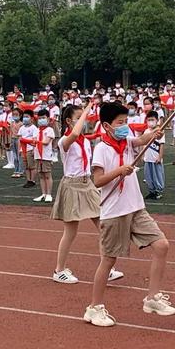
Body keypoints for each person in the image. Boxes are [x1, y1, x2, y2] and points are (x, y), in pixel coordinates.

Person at [84, 102, 175, 327]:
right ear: (106, 125)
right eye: (120, 123)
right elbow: (97, 181)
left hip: (136, 208)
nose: (124, 127)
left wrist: (153, 134)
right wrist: (118, 171)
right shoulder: (101, 149)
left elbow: (139, 141)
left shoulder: (126, 141)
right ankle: (94, 308)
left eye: (126, 122)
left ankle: (152, 298)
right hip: (114, 212)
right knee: (108, 260)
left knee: (162, 245)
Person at [51, 103, 123, 284]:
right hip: (72, 186)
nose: (83, 122)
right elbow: (74, 133)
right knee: (71, 231)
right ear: (69, 121)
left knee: (103, 225)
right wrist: (87, 109)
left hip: (87, 184)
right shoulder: (64, 141)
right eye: (78, 118)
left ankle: (108, 268)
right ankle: (59, 270)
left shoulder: (86, 140)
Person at [32, 109, 55, 203]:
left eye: (43, 118)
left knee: (47, 175)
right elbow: (33, 142)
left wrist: (35, 142)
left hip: (46, 156)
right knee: (41, 175)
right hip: (38, 155)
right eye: (40, 118)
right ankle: (43, 193)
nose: (41, 120)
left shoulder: (49, 130)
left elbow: (46, 142)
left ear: (48, 119)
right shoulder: (36, 130)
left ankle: (49, 194)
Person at [143, 111, 165, 200]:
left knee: (157, 175)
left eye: (152, 120)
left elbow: (161, 145)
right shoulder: (146, 131)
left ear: (157, 120)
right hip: (147, 158)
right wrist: (142, 156)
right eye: (148, 120)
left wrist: (160, 157)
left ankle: (158, 191)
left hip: (155, 158)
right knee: (148, 175)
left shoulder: (160, 131)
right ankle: (151, 191)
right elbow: (143, 142)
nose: (150, 122)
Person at [18, 110, 37, 189]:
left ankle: (32, 180)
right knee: (26, 166)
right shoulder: (21, 128)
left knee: (31, 166)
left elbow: (34, 139)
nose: (25, 118)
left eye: (27, 117)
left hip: (30, 149)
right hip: (23, 150)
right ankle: (28, 180)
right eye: (24, 117)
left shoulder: (34, 128)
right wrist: (19, 149)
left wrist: (33, 149)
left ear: (32, 118)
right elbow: (20, 139)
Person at [10, 108, 24, 178]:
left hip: (18, 140)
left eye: (16, 114)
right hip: (13, 139)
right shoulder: (12, 123)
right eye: (13, 114)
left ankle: (20, 170)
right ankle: (16, 170)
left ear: (20, 115)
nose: (15, 116)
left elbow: (21, 134)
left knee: (19, 156)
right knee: (15, 156)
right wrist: (10, 141)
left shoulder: (21, 124)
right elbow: (11, 132)